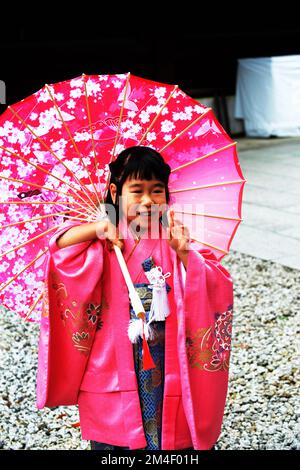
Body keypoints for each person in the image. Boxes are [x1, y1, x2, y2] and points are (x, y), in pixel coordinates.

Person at [36, 146, 233, 451]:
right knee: (115, 439)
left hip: (166, 355)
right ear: (115, 191)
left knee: (172, 437)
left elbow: (216, 282)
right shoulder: (105, 234)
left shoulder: (173, 233)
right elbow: (58, 246)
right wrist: (96, 229)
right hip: (115, 355)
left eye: (157, 191)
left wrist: (184, 254)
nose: (147, 200)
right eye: (137, 190)